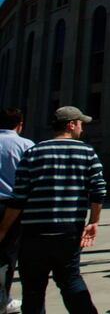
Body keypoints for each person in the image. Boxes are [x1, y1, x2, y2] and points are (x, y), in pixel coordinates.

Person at [0, 106, 105, 313]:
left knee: (33, 290)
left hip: (33, 234)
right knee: (71, 281)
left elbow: (19, 198)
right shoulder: (86, 152)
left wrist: (3, 230)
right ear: (71, 124)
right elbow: (98, 190)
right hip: (68, 231)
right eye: (80, 124)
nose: (82, 129)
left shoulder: (33, 152)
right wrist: (93, 221)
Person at [0, 108, 34, 314]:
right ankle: (4, 298)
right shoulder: (25, 145)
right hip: (12, 207)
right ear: (19, 124)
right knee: (9, 252)